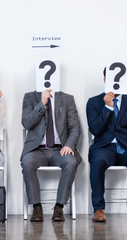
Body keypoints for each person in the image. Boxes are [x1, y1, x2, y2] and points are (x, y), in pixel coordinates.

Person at [86, 68, 127, 222]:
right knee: (98, 161)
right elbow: (94, 129)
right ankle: (98, 209)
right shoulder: (94, 102)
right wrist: (107, 107)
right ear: (105, 80)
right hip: (103, 147)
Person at [21, 89, 81, 222]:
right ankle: (37, 207)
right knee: (27, 162)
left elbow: (75, 127)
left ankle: (59, 207)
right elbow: (26, 123)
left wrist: (69, 145)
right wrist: (42, 103)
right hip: (37, 149)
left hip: (60, 149)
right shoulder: (29, 97)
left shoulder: (67, 98)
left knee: (71, 162)